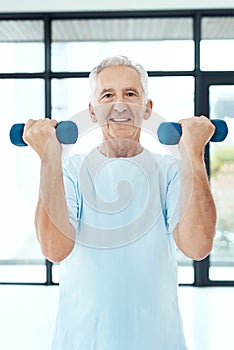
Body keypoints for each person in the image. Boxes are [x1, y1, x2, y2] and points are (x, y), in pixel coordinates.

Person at [23, 55, 217, 350]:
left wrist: (193, 154)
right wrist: (50, 156)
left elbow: (197, 246)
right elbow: (55, 250)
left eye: (130, 94)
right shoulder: (71, 170)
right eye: (107, 95)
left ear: (147, 109)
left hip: (157, 340)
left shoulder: (170, 170)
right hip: (81, 339)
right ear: (92, 111)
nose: (120, 104)